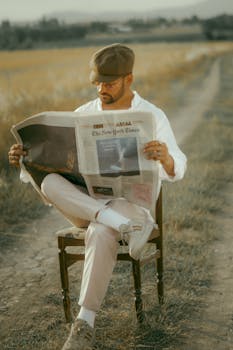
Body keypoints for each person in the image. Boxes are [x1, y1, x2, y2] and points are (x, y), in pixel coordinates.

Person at [8, 43, 187, 350]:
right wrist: (25, 160)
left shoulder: (152, 115)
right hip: (86, 203)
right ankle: (110, 217)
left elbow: (179, 167)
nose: (101, 89)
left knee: (101, 229)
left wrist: (167, 158)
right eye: (98, 83)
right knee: (50, 182)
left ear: (129, 79)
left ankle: (83, 325)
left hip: (131, 206)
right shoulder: (83, 114)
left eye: (110, 83)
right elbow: (49, 173)